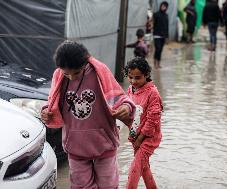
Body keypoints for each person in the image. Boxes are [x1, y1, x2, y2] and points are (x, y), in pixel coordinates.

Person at [40, 40, 136, 189]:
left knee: (108, 185)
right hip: (75, 145)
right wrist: (47, 110)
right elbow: (53, 101)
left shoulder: (100, 72)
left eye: (76, 73)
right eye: (67, 74)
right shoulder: (59, 75)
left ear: (85, 63)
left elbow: (119, 96)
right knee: (80, 185)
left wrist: (126, 107)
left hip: (104, 143)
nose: (71, 77)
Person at [123, 57, 163, 189]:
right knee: (144, 167)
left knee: (134, 169)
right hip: (135, 136)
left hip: (149, 138)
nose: (133, 81)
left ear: (146, 75)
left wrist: (140, 138)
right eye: (130, 77)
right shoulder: (130, 89)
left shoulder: (153, 93)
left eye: (138, 78)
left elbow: (153, 118)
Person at [153, 1, 169, 69]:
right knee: (158, 49)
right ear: (160, 6)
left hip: (163, 36)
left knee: (160, 50)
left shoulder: (166, 16)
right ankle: (155, 63)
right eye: (162, 6)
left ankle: (158, 63)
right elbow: (152, 23)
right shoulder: (156, 14)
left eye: (164, 6)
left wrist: (167, 36)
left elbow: (167, 26)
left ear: (166, 8)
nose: (163, 7)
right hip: (156, 35)